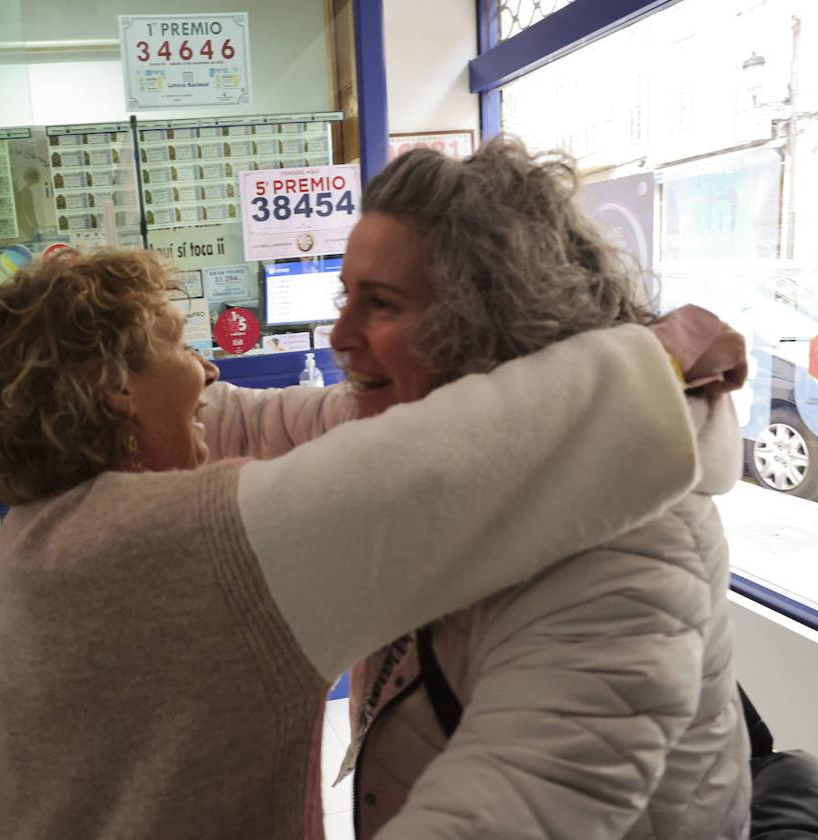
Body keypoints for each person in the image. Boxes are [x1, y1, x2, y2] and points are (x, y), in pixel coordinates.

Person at [0, 242, 743, 838]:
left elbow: (325, 428)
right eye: (178, 343)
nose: (210, 372)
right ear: (113, 389)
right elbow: (465, 456)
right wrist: (669, 356)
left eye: (384, 302)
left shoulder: (44, 528)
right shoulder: (195, 539)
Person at [207, 138, 749, 840]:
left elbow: (516, 807)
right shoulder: (424, 432)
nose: (341, 335)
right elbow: (261, 425)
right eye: (348, 298)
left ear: (486, 320)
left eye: (380, 305)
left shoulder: (633, 545)